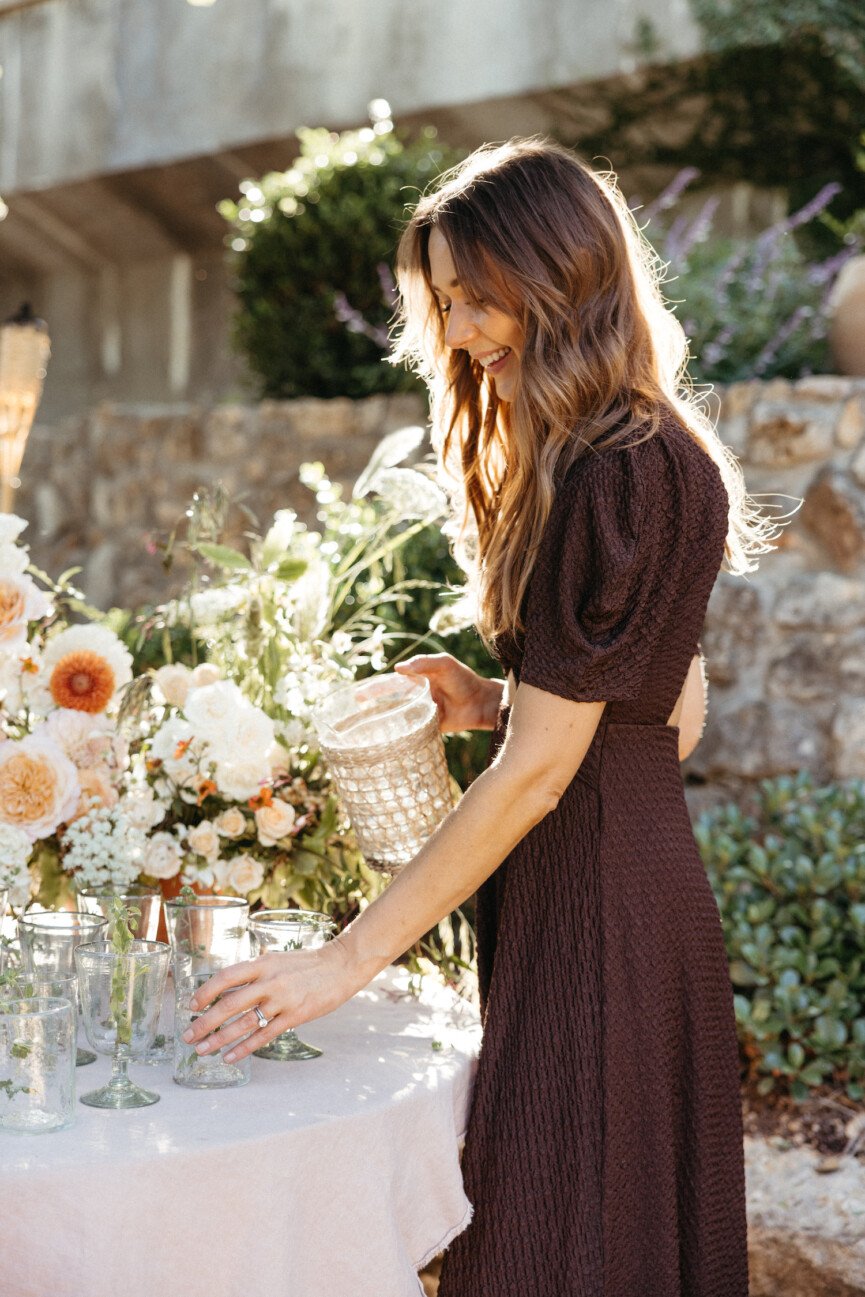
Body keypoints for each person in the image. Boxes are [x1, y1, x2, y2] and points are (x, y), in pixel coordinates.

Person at [183, 137, 782, 1295]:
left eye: (474, 300)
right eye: (445, 303)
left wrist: (342, 960)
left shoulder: (618, 470)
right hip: (617, 896)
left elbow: (538, 775)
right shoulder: (643, 450)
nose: (455, 334)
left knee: (545, 1248)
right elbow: (670, 718)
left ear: (560, 275)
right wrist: (498, 700)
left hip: (597, 919)